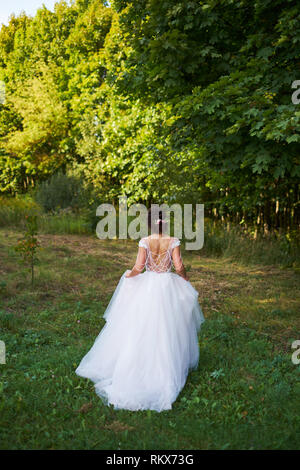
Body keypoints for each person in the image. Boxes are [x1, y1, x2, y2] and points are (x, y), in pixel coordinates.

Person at [75, 208, 205, 412]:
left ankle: (137, 365)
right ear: (165, 223)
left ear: (150, 223)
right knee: (169, 327)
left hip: (149, 286)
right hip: (167, 287)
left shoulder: (145, 241)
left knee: (141, 326)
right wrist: (185, 277)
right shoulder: (173, 241)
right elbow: (178, 266)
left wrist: (129, 276)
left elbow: (139, 266)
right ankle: (166, 366)